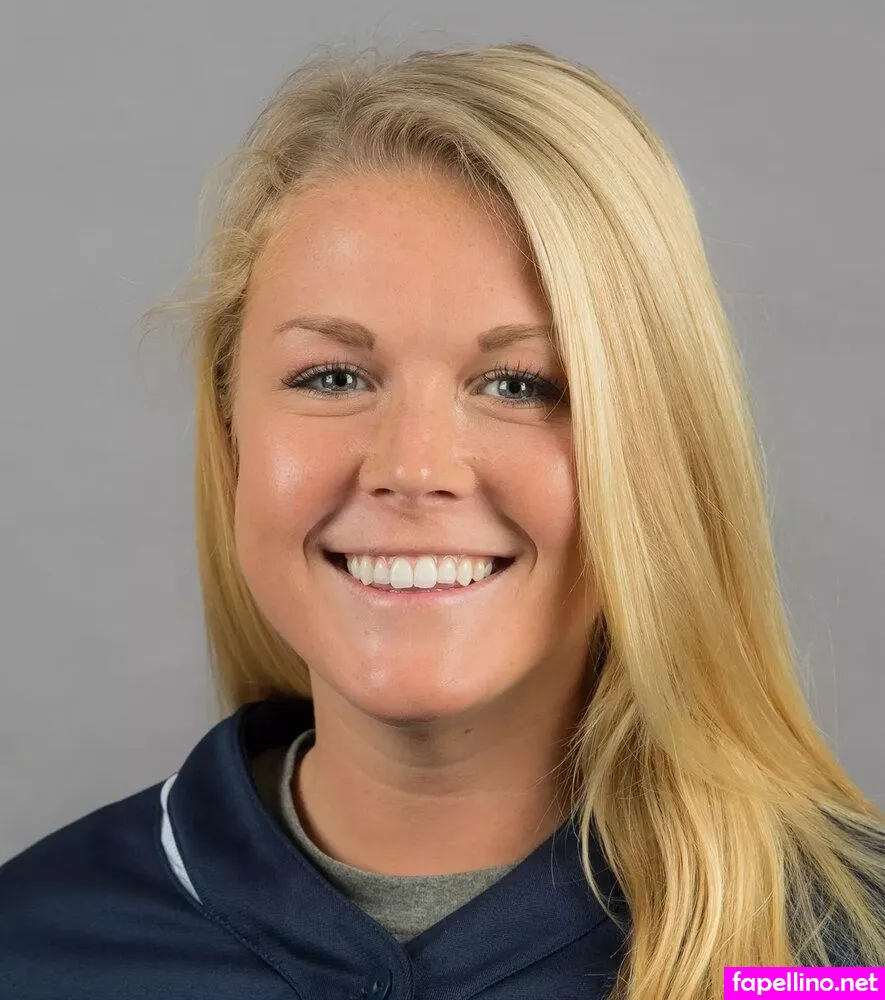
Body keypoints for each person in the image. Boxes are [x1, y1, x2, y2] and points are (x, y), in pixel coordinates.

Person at [0, 40, 882, 1000]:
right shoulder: (33, 947)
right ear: (229, 432)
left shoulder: (846, 956)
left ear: (658, 452)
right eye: (332, 377)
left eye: (520, 385)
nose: (412, 469)